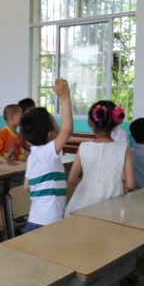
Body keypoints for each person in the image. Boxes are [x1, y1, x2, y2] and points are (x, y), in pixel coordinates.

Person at [64, 100, 135, 217]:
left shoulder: (84, 147)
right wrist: (114, 184)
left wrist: (90, 184)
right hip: (112, 204)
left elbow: (72, 179)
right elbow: (130, 184)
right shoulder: (124, 148)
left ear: (91, 123)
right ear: (115, 123)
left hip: (83, 202)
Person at [20, 79, 73, 232]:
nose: (59, 126)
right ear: (50, 135)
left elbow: (27, 186)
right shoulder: (47, 152)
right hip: (48, 223)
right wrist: (65, 97)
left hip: (35, 221)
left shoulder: (34, 156)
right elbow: (67, 130)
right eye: (55, 122)